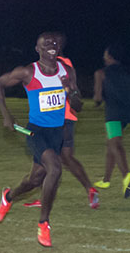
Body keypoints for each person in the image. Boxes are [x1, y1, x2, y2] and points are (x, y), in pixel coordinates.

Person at [0, 32, 82, 247]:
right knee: (55, 169)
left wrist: (69, 91)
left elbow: (78, 106)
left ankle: (8, 197)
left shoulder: (67, 71)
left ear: (59, 47)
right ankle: (44, 224)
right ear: (38, 48)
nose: (52, 45)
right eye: (46, 43)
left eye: (55, 42)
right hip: (36, 132)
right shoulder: (28, 72)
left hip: (57, 133)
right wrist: (6, 115)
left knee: (35, 180)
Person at [23, 32, 99, 209]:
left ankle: (87, 188)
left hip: (62, 119)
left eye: (53, 43)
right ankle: (87, 189)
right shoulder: (62, 63)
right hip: (62, 118)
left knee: (56, 161)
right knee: (58, 160)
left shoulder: (62, 65)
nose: (51, 45)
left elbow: (70, 93)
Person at [92, 44, 130, 198]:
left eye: (105, 54)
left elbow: (98, 97)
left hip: (114, 113)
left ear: (110, 57)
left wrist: (97, 101)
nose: (103, 57)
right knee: (111, 144)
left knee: (115, 143)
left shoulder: (101, 73)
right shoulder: (127, 70)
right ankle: (106, 180)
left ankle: (127, 177)